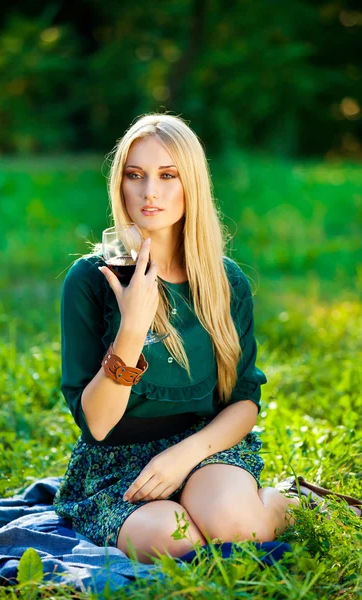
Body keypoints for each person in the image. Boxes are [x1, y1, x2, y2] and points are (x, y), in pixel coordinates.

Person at [53, 113, 361, 564]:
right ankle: (195, 512)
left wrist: (184, 455)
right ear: (119, 185)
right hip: (116, 465)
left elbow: (243, 401)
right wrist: (133, 327)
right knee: (173, 540)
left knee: (236, 527)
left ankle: (291, 501)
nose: (149, 192)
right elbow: (97, 424)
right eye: (135, 176)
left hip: (206, 446)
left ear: (190, 184)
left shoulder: (225, 282)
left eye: (167, 175)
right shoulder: (91, 279)